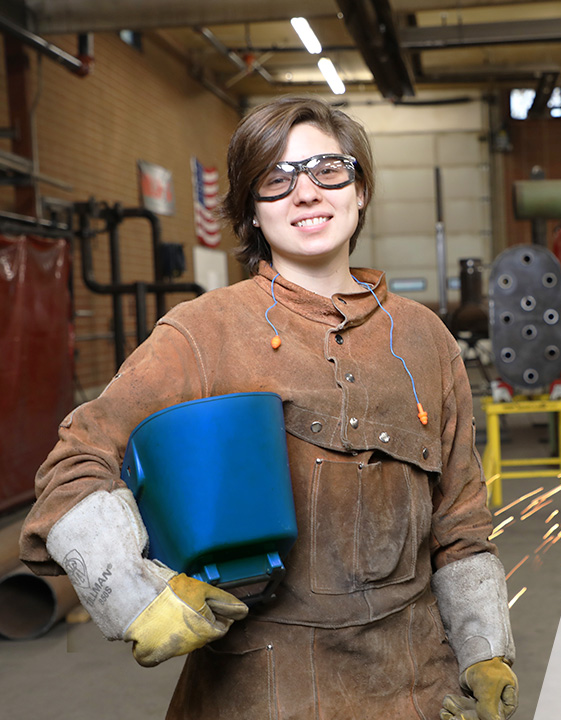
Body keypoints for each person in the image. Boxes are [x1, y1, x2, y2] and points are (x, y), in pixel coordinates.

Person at [20, 96, 518, 720]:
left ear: (360, 190)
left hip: (416, 684)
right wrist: (133, 595)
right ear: (251, 212)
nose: (305, 193)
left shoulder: (425, 340)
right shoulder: (203, 333)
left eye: (327, 170)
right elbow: (73, 470)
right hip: (263, 692)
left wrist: (485, 650)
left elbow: (461, 520)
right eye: (275, 179)